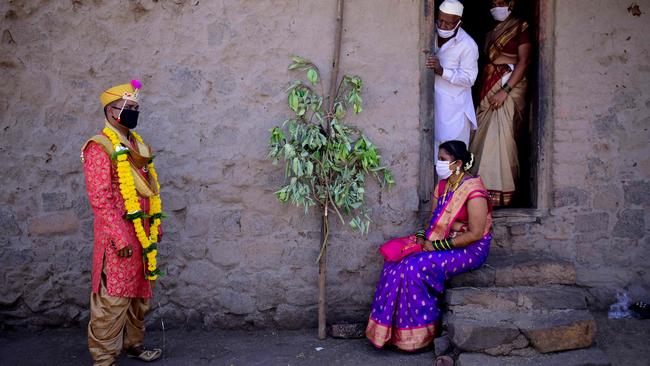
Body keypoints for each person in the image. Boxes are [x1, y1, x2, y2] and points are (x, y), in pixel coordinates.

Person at [366, 140, 492, 352]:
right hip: (440, 240)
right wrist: (422, 237)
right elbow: (432, 219)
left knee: (414, 267)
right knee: (395, 261)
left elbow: (475, 234)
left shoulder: (474, 191)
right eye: (439, 159)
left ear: (458, 163)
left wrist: (436, 246)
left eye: (443, 160)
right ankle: (391, 333)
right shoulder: (443, 186)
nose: (439, 164)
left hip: (469, 248)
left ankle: (420, 334)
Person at [81, 80, 163, 366]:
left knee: (139, 294)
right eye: (129, 108)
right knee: (113, 297)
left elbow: (151, 188)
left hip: (143, 232)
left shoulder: (137, 144)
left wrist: (155, 224)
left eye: (137, 108)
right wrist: (120, 235)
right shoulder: (99, 147)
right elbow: (100, 199)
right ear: (112, 111)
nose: (134, 113)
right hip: (118, 235)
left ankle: (133, 344)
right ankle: (104, 359)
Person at [469, 0, 532, 207]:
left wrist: (505, 91)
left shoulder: (520, 26)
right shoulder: (490, 33)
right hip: (488, 86)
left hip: (509, 88)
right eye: (493, 3)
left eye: (501, 2)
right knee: (481, 137)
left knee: (501, 140)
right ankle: (478, 192)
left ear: (511, 4)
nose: (497, 6)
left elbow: (523, 61)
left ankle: (499, 193)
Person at [426, 0, 479, 158]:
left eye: (449, 23)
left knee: (450, 156)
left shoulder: (468, 45)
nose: (442, 26)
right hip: (433, 105)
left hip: (454, 111)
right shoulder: (429, 35)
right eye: (440, 20)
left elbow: (470, 79)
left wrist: (443, 71)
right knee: (432, 153)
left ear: (459, 23)